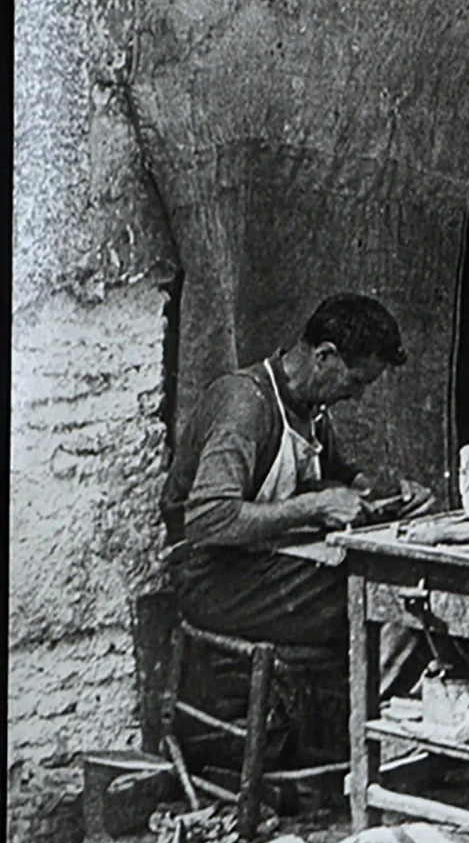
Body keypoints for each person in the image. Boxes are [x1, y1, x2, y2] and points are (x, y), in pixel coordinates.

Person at [161, 293, 435, 689]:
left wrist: (381, 496)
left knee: (408, 577)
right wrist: (316, 506)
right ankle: (372, 728)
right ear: (323, 356)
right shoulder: (245, 404)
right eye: (355, 381)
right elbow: (208, 519)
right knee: (389, 592)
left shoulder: (309, 406)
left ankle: (375, 714)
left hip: (263, 560)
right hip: (210, 575)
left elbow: (339, 473)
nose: (357, 396)